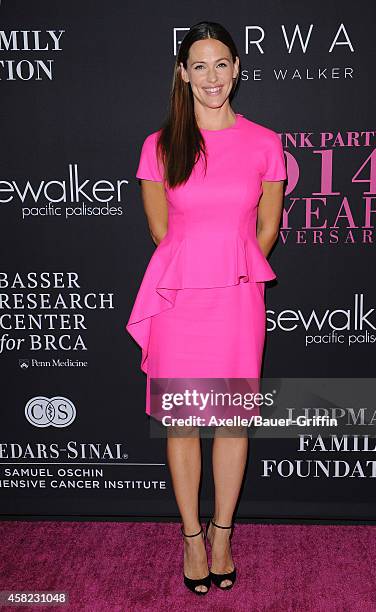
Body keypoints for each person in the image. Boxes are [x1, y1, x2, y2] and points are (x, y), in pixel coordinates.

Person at [126, 21, 286, 595]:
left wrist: (237, 269)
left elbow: (268, 227)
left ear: (237, 69)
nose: (212, 76)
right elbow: (160, 231)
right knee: (184, 420)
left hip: (238, 297)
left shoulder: (266, 142)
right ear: (183, 72)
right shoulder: (160, 144)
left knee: (233, 423)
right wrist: (201, 269)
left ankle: (224, 533)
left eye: (222, 64)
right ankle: (191, 536)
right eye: (200, 65)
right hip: (178, 297)